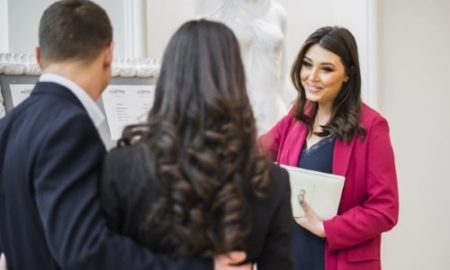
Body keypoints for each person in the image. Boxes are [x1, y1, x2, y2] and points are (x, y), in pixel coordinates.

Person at [0, 1, 247, 269]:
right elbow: (85, 249)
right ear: (108, 54)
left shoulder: (9, 124)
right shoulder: (69, 127)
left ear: (38, 56)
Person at [99, 19, 293, 270]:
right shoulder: (270, 180)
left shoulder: (121, 167)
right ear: (236, 80)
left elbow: (100, 259)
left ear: (168, 80)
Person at [258, 26, 399, 270]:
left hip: (339, 259)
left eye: (326, 69)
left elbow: (385, 209)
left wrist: (328, 228)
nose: (312, 76)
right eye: (307, 64)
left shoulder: (371, 126)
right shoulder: (297, 116)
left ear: (348, 74)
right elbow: (254, 152)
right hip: (291, 254)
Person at [196, 0, 293, 134]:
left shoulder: (278, 13)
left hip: (272, 109)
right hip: (235, 111)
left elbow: (282, 71)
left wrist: (292, 112)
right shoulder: (215, 14)